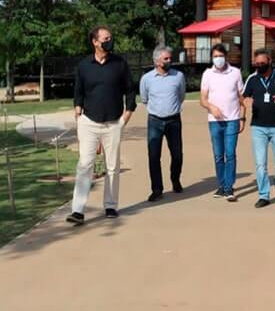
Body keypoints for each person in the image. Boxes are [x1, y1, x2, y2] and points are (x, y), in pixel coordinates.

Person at [67, 26, 136, 225]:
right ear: (95, 42)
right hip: (88, 122)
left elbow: (130, 90)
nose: (109, 41)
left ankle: (111, 205)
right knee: (85, 164)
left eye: (110, 38)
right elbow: (78, 93)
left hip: (113, 122)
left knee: (112, 166)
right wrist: (78, 115)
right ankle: (78, 210)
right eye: (105, 38)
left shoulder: (120, 64)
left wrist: (126, 115)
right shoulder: (83, 65)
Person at [243, 48, 275, 208]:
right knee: (260, 164)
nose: (259, 66)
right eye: (256, 63)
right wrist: (246, 101)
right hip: (258, 127)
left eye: (262, 63)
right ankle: (264, 195)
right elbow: (243, 95)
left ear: (269, 61)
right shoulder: (252, 78)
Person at [139, 45, 186, 202]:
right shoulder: (146, 79)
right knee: (153, 156)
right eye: (166, 58)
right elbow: (144, 99)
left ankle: (175, 179)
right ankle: (157, 189)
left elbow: (181, 95)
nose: (169, 60)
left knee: (177, 155)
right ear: (157, 61)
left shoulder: (178, 76)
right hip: (155, 121)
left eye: (170, 58)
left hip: (174, 120)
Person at [200, 44, 245, 202]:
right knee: (219, 155)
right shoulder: (207, 74)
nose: (218, 59)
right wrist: (211, 107)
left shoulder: (235, 73)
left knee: (230, 154)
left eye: (220, 55)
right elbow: (203, 99)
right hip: (215, 121)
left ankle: (229, 188)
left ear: (226, 56)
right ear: (212, 58)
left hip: (232, 119)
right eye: (215, 56)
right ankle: (221, 185)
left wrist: (242, 117)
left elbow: (241, 97)